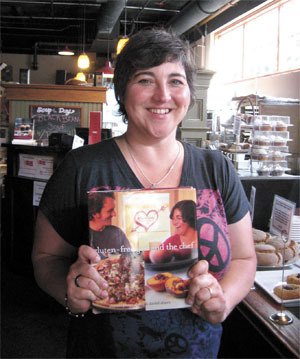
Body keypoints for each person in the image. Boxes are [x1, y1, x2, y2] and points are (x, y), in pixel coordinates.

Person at [32, 28, 256, 358]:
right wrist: (70, 291)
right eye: (145, 80)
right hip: (102, 349)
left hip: (197, 350)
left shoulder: (216, 168)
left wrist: (222, 300)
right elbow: (45, 258)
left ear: (189, 93)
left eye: (176, 81)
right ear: (122, 91)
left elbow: (244, 257)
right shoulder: (82, 168)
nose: (163, 95)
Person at [88, 191, 131, 259]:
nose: (114, 214)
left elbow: (129, 258)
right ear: (95, 213)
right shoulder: (82, 236)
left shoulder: (118, 233)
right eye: (110, 210)